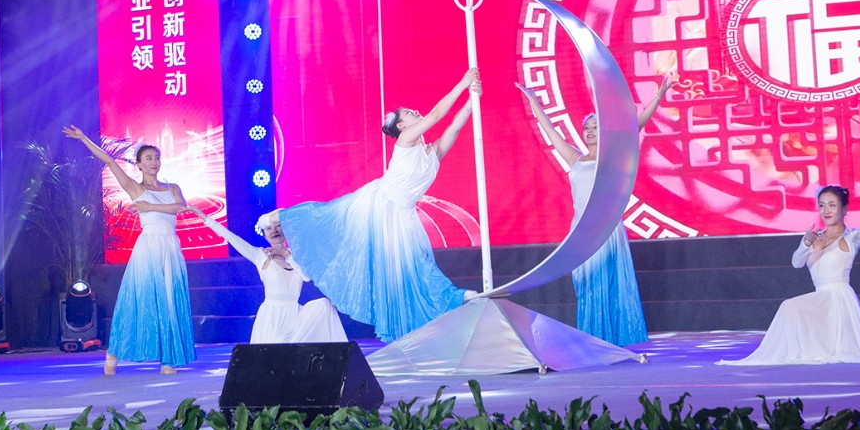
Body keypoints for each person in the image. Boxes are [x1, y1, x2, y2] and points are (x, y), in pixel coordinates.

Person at [276, 69, 482, 341]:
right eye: (408, 113)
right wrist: (462, 83)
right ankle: (282, 218)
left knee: (413, 269)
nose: (415, 111)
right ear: (402, 126)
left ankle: (446, 303)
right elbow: (436, 115)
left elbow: (453, 127)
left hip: (402, 216)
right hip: (379, 205)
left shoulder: (433, 153)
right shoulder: (406, 141)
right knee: (328, 220)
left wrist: (471, 101)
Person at [515, 73, 676, 346]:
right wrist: (534, 103)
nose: (590, 131)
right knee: (586, 283)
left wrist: (659, 96)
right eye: (587, 128)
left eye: (595, 127)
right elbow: (550, 131)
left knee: (609, 283)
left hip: (607, 229)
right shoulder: (575, 158)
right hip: (581, 231)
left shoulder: (612, 156)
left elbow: (636, 125)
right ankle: (593, 337)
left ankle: (616, 339)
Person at [720, 185, 860, 366]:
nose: (826, 210)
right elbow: (796, 262)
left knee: (790, 306)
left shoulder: (852, 237)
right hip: (820, 297)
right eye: (822, 205)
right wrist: (806, 243)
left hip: (838, 298)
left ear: (844, 209)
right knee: (791, 308)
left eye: (832, 205)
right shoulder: (814, 237)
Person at [62, 125, 195, 375]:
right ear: (139, 165)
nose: (154, 162)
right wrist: (83, 138)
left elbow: (181, 208)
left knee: (169, 301)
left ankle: (167, 360)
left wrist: (149, 206)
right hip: (149, 248)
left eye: (156, 158)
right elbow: (109, 161)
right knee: (137, 301)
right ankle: (113, 353)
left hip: (170, 247)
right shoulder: (135, 188)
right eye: (148, 159)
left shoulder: (172, 188)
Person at [187, 208, 347, 343]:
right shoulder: (260, 255)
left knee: (324, 305)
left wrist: (286, 254)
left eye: (278, 226)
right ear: (264, 234)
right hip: (272, 318)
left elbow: (306, 277)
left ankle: (339, 358)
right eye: (269, 228)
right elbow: (231, 238)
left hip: (295, 317)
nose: (274, 231)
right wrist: (204, 217)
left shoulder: (296, 256)